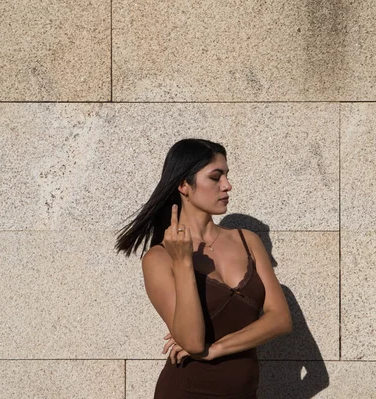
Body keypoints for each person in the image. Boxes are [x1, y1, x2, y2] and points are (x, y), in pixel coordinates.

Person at [115, 138, 292, 398]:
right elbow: (193, 342)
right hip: (187, 390)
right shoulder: (159, 258)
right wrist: (183, 262)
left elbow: (280, 319)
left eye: (227, 176)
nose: (227, 186)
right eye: (215, 177)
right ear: (184, 185)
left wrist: (217, 348)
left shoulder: (248, 241)